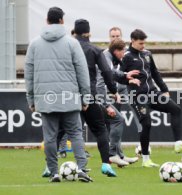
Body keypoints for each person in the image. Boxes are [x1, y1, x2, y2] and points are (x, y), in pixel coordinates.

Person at [25, 7, 92, 182]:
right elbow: (82, 72)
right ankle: (82, 169)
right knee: (76, 134)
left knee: (49, 137)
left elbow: (29, 74)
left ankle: (53, 172)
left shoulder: (34, 44)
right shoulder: (72, 43)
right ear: (62, 21)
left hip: (46, 99)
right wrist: (85, 97)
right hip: (69, 97)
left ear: (47, 21)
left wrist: (31, 99)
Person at [121, 29, 182, 168]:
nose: (143, 46)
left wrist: (164, 90)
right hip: (138, 97)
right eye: (140, 43)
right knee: (147, 124)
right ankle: (145, 159)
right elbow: (119, 76)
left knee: (176, 109)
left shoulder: (147, 54)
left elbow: (155, 73)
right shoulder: (126, 56)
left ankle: (178, 144)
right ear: (132, 41)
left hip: (153, 93)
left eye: (144, 43)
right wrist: (128, 81)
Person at [97, 38, 140, 167]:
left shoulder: (108, 58)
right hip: (94, 98)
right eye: (123, 51)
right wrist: (105, 104)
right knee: (118, 120)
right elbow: (100, 83)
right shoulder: (107, 58)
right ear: (116, 51)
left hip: (92, 97)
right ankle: (112, 155)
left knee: (114, 123)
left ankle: (119, 155)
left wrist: (125, 76)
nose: (124, 54)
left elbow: (113, 73)